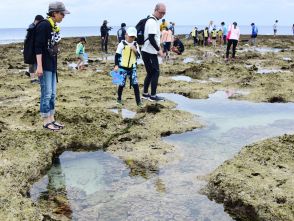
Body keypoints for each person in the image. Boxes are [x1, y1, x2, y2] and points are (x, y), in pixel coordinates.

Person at [35, 1, 69, 131]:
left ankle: (52, 119)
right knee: (46, 93)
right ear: (54, 13)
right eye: (62, 14)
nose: (63, 16)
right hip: (44, 65)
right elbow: (37, 47)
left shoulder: (53, 26)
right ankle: (45, 121)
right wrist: (39, 66)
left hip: (52, 64)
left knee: (53, 93)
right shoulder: (43, 25)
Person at [141, 3, 166, 102]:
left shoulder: (153, 20)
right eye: (161, 13)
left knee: (150, 72)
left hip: (147, 51)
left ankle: (145, 94)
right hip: (149, 52)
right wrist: (158, 50)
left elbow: (154, 38)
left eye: (164, 13)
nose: (162, 15)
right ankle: (153, 96)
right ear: (155, 10)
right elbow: (151, 38)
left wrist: (158, 47)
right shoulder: (152, 22)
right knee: (156, 72)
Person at [114, 27, 142, 107]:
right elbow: (117, 55)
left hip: (132, 68)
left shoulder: (136, 45)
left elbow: (139, 56)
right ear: (126, 35)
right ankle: (119, 99)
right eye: (130, 36)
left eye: (133, 37)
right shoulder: (122, 44)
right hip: (122, 68)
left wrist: (135, 50)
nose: (132, 38)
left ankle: (138, 102)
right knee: (121, 84)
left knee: (135, 85)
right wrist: (116, 65)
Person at [25, 15, 44, 83]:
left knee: (33, 63)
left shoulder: (32, 26)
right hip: (31, 48)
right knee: (33, 63)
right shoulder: (32, 27)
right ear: (37, 20)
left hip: (30, 47)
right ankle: (33, 79)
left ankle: (32, 77)